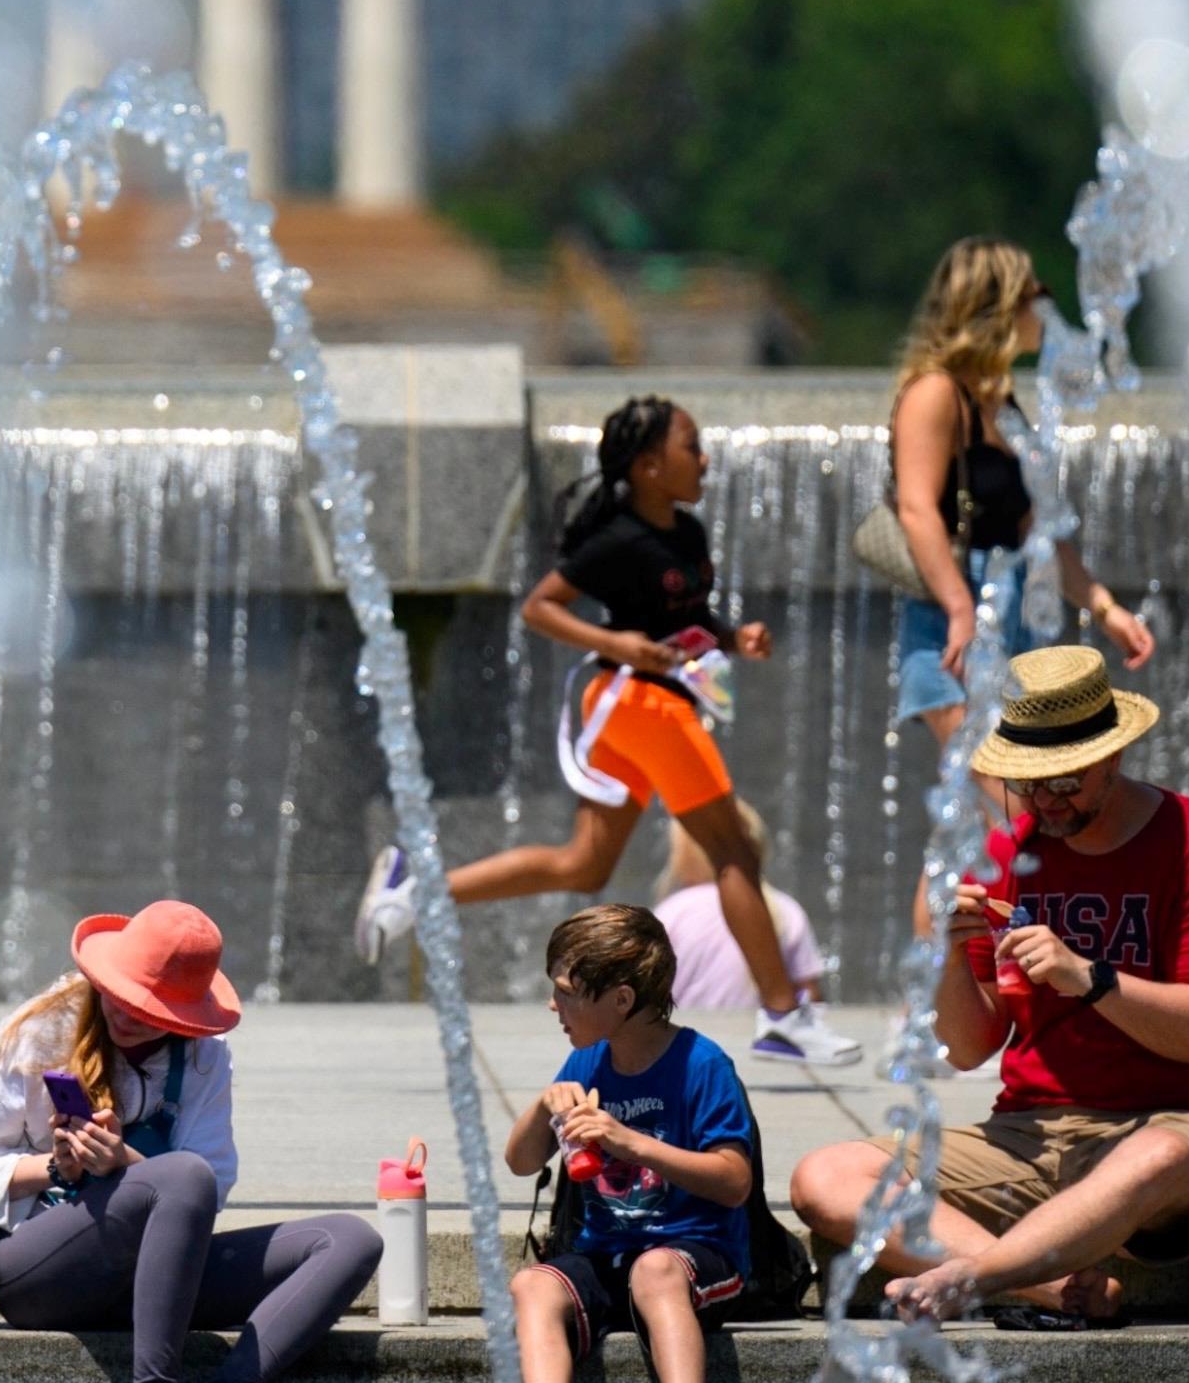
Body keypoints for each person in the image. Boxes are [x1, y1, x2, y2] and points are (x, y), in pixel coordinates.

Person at [354, 394, 861, 1068]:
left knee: (585, 863)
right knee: (734, 850)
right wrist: (618, 643)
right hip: (638, 703)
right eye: (691, 446)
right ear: (650, 465)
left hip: (637, 705)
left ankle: (419, 883)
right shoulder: (617, 538)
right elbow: (542, 608)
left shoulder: (687, 532)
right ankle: (782, 1014)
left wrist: (735, 638)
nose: (704, 458)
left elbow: (687, 618)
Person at [789, 647, 1189, 1325]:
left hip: (1183, 1129)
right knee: (825, 1178)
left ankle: (973, 1276)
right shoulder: (1009, 856)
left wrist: (1090, 978)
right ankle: (1050, 1287)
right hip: (1032, 1133)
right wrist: (951, 958)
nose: (1043, 801)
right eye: (1028, 783)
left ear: (1112, 756)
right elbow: (966, 1049)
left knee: (1153, 1158)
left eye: (1063, 783)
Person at [0, 902, 379, 1383]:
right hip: (41, 1272)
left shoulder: (205, 1056)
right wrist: (58, 1166)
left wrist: (123, 1164)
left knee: (348, 1239)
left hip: (155, 1283)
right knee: (182, 1175)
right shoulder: (38, 1033)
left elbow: (212, 1186)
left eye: (150, 1008)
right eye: (121, 995)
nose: (128, 1014)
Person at [887, 238, 1155, 932]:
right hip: (949, 634)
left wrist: (1104, 607)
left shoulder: (1003, 406)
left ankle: (933, 997)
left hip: (1003, 627)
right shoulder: (935, 392)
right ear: (1001, 302)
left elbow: (1045, 532)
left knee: (971, 821)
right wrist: (956, 609)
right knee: (1006, 799)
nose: (1048, 308)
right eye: (1037, 292)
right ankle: (945, 992)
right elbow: (917, 507)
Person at [495, 905, 758, 1383]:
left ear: (620, 999)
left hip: (695, 1258)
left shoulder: (701, 1064)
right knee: (532, 1284)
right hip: (607, 1255)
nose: (553, 1004)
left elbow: (735, 1181)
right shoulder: (587, 1063)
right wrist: (545, 1105)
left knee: (655, 1271)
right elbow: (521, 1162)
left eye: (567, 991)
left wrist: (629, 1142)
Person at [653, 805, 828, 1014]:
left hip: (686, 1040)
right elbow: (812, 997)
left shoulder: (671, 913)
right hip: (761, 1039)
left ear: (683, 856)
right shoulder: (785, 911)